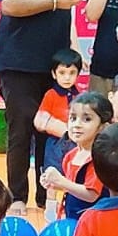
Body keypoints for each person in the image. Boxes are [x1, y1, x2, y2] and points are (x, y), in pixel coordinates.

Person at [0, 0, 88, 209]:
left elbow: (65, 14)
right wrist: (53, 1)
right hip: (19, 64)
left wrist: (74, 49)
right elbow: (10, 4)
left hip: (54, 67)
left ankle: (45, 196)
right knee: (21, 130)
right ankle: (17, 198)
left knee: (53, 133)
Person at [40, 92, 112, 221]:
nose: (77, 125)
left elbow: (91, 195)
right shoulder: (71, 156)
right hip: (73, 218)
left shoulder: (98, 158)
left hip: (94, 221)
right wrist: (54, 183)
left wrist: (61, 181)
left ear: (103, 127)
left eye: (87, 119)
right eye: (73, 118)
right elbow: (72, 187)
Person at [33, 48, 84, 212]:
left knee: (74, 176)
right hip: (55, 144)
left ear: (78, 74)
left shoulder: (81, 97)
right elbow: (41, 120)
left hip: (76, 145)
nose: (67, 77)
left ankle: (70, 207)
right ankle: (50, 211)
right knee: (52, 176)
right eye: (62, 73)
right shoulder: (50, 95)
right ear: (54, 74)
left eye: (72, 73)